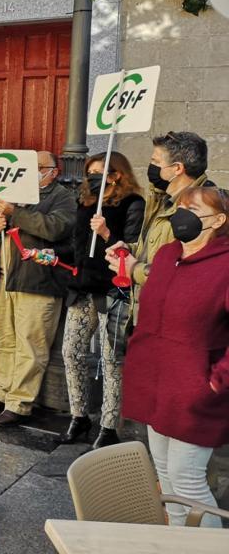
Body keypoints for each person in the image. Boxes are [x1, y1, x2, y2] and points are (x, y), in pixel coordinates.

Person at [119, 186, 229, 528]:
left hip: (194, 390)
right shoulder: (167, 255)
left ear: (218, 220)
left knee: (188, 479)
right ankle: (179, 544)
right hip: (156, 381)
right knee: (165, 474)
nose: (181, 214)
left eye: (192, 209)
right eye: (179, 207)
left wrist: (216, 380)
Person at [58, 152, 143, 449]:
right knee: (72, 351)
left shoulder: (133, 204)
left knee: (111, 360)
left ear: (117, 174)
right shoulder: (86, 203)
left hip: (113, 290)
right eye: (89, 172)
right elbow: (77, 246)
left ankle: (108, 425)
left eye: (100, 171)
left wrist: (107, 232)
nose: (93, 176)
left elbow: (131, 250)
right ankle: (79, 415)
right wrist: (55, 257)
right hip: (83, 287)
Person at [0, 151, 76, 426]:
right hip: (7, 280)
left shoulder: (63, 198)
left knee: (30, 345)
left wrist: (16, 214)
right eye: (31, 166)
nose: (34, 171)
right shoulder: (13, 191)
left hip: (39, 281)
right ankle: (2, 391)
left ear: (54, 171)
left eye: (40, 167)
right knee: (1, 340)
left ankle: (20, 402)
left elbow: (54, 228)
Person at [106, 132, 211, 317]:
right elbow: (156, 246)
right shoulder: (163, 199)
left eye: (156, 161)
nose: (151, 166)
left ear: (177, 168)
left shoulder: (201, 208)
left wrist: (135, 269)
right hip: (149, 309)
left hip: (174, 316)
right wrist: (128, 250)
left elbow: (189, 271)